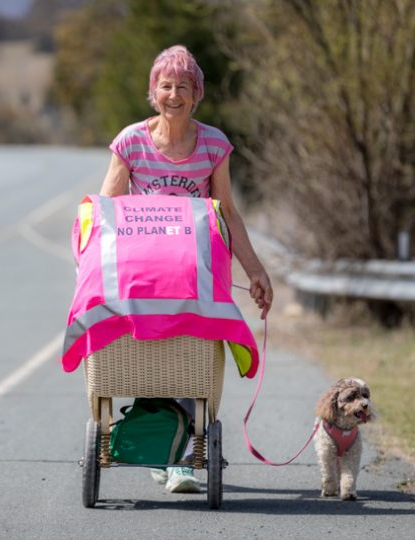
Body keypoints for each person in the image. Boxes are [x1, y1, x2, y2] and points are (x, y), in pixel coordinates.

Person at [99, 45, 274, 493]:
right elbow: (108, 210)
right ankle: (166, 444)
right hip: (144, 274)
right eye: (165, 85)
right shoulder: (131, 141)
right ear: (152, 93)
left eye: (183, 87)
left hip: (196, 272)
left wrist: (255, 270)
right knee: (146, 357)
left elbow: (228, 212)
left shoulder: (214, 144)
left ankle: (178, 457)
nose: (173, 94)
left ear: (196, 94)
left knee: (190, 359)